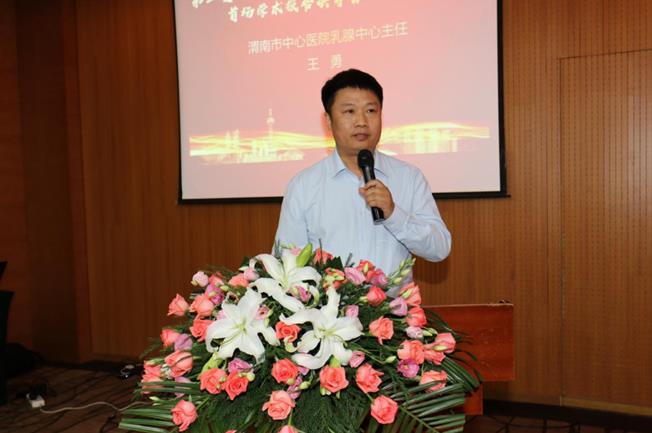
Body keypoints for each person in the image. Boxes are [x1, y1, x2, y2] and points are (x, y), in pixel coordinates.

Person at [274, 69, 451, 275]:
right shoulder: (304, 185)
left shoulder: (409, 177)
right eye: (349, 111)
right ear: (329, 120)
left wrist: (394, 213)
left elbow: (439, 249)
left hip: (393, 297)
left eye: (370, 111)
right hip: (329, 297)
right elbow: (286, 262)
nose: (361, 122)